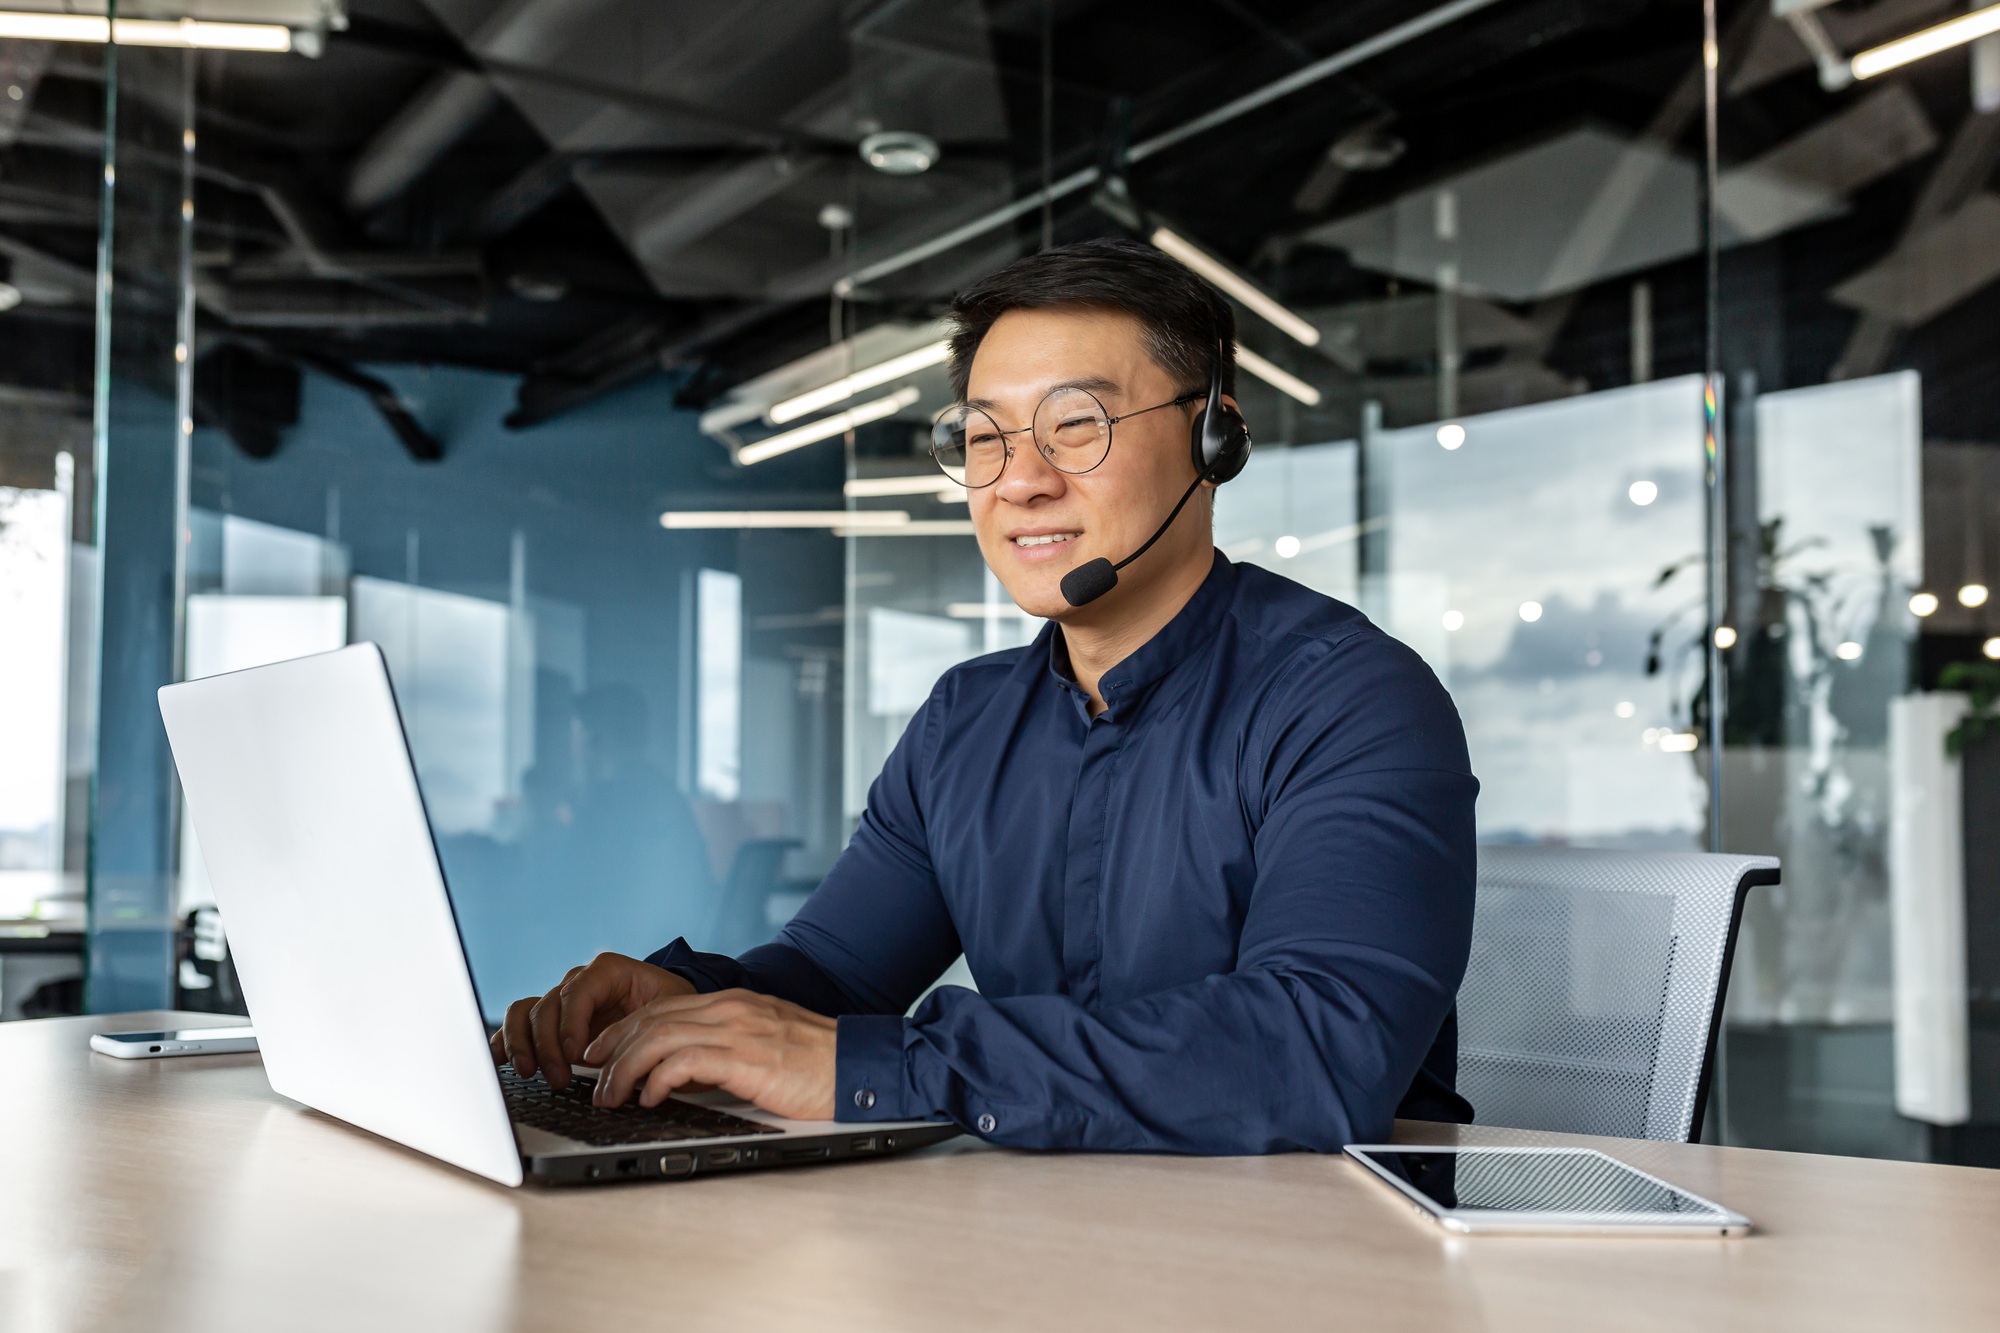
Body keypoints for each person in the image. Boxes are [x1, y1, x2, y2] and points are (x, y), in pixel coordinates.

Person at [493, 237, 1479, 1153]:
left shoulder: (1349, 699)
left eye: (1077, 425)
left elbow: (1315, 1048)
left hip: (1313, 1238)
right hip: (1030, 1225)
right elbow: (834, 975)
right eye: (983, 436)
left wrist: (893, 1066)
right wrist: (691, 1003)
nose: (1019, 481)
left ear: (1212, 440)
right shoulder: (964, 723)